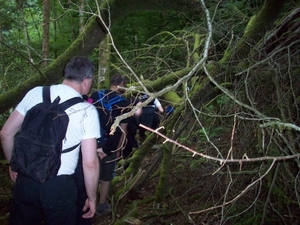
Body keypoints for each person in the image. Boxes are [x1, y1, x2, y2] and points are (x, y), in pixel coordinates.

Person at [0, 56, 100, 225]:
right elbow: (90, 163)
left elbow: (5, 133)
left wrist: (14, 165)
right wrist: (91, 197)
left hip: (25, 181)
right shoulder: (87, 110)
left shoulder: (35, 92)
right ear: (86, 81)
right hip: (58, 187)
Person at [90, 74, 140, 216]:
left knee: (90, 173)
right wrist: (118, 149)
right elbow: (123, 130)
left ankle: (87, 201)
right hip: (109, 146)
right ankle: (102, 205)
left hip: (90, 142)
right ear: (122, 83)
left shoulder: (95, 95)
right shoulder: (124, 103)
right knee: (106, 177)